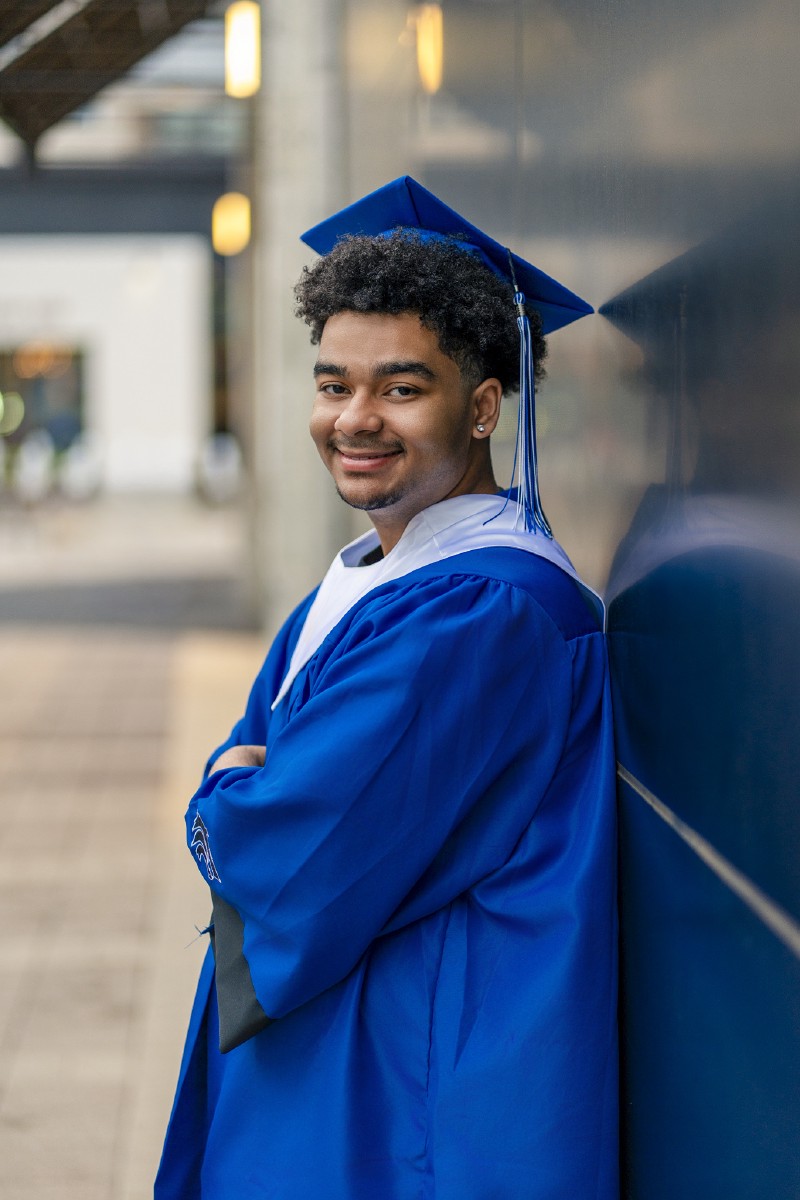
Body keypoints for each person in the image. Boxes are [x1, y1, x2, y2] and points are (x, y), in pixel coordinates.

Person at [156, 177, 618, 1200]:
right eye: (333, 385)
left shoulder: (483, 611)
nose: (353, 419)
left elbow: (291, 843)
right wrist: (251, 773)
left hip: (404, 1078)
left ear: (484, 404)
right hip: (363, 1032)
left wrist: (224, 794)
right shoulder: (379, 573)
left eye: (400, 390)